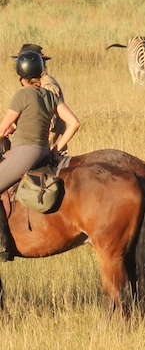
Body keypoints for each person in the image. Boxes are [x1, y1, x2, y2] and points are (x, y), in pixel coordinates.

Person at [0, 51, 80, 260]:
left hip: (23, 152)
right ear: (40, 73)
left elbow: (2, 129)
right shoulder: (51, 96)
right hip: (43, 152)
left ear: (20, 77)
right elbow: (74, 123)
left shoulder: (21, 95)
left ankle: (1, 244)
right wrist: (56, 148)